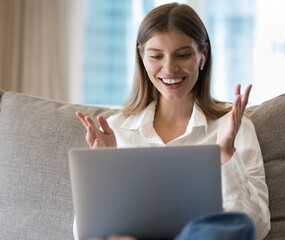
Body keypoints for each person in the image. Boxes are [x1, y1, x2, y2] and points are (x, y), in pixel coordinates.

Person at [75, 2, 270, 240]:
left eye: (183, 55)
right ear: (142, 57)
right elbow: (83, 235)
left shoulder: (233, 127)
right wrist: (103, 169)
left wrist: (226, 152)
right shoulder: (115, 130)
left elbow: (255, 229)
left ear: (203, 55)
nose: (169, 68)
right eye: (156, 56)